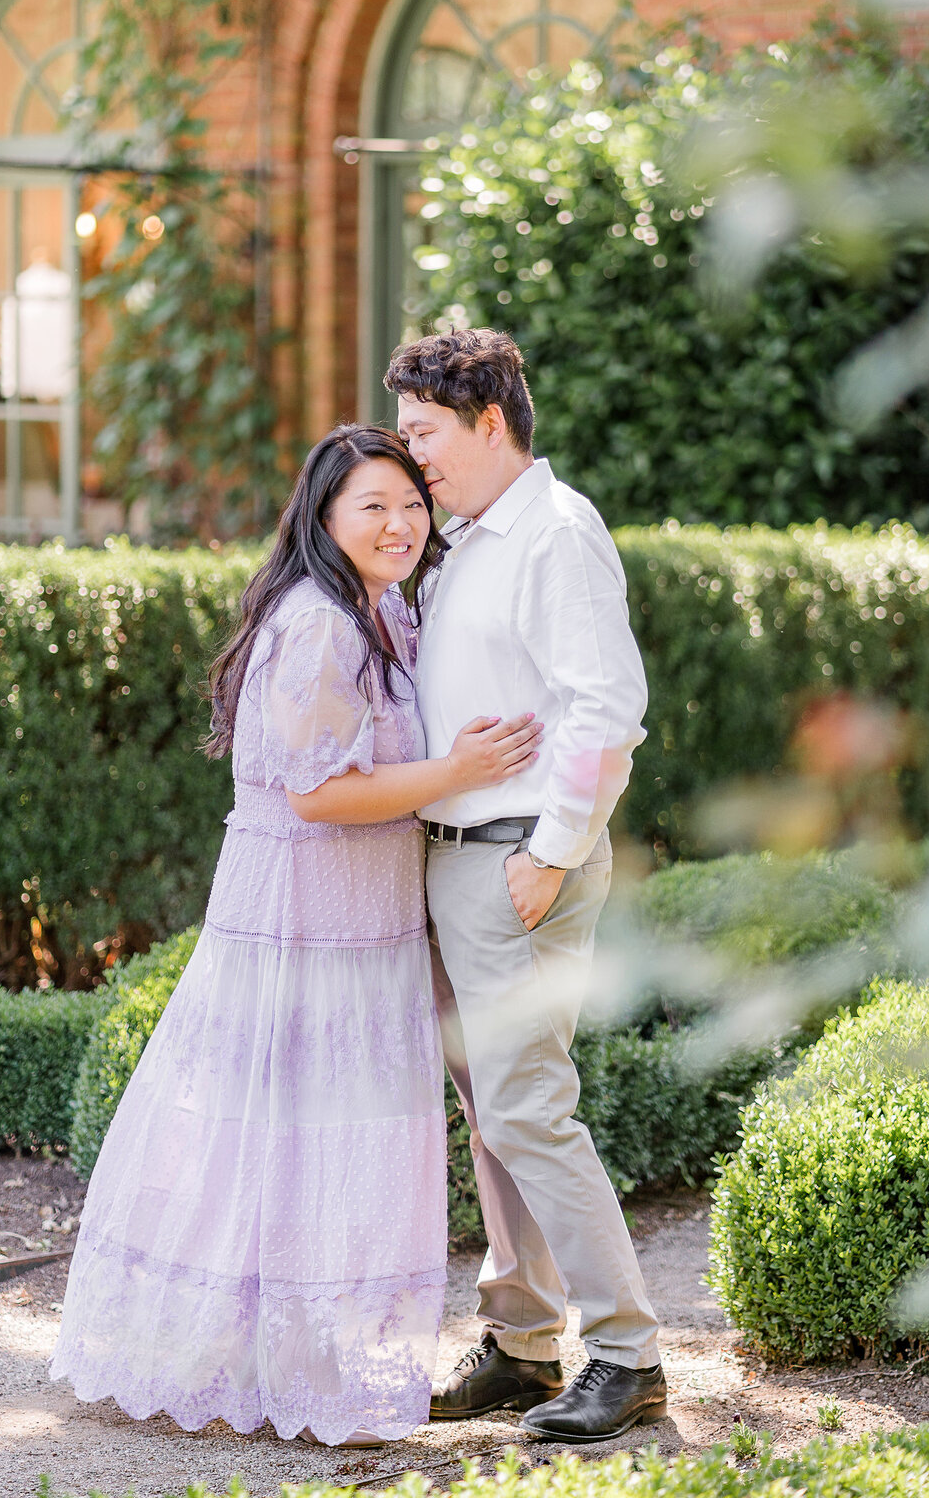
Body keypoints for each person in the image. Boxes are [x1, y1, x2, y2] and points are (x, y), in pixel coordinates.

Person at [49, 424, 542, 1446]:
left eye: (411, 503)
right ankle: (269, 1364)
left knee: (326, 1136)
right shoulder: (319, 622)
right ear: (322, 517)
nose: (401, 523)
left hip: (360, 914)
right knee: (281, 1132)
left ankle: (306, 1359)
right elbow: (319, 793)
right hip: (303, 913)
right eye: (374, 506)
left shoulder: (384, 609)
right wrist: (457, 775)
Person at [388, 329, 667, 1444]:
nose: (413, 460)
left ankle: (630, 1354)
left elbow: (607, 708)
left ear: (490, 421)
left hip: (518, 861)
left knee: (527, 1110)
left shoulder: (556, 532)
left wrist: (548, 852)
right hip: (456, 858)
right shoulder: (467, 539)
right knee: (491, 1117)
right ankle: (522, 1346)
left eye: (424, 435)